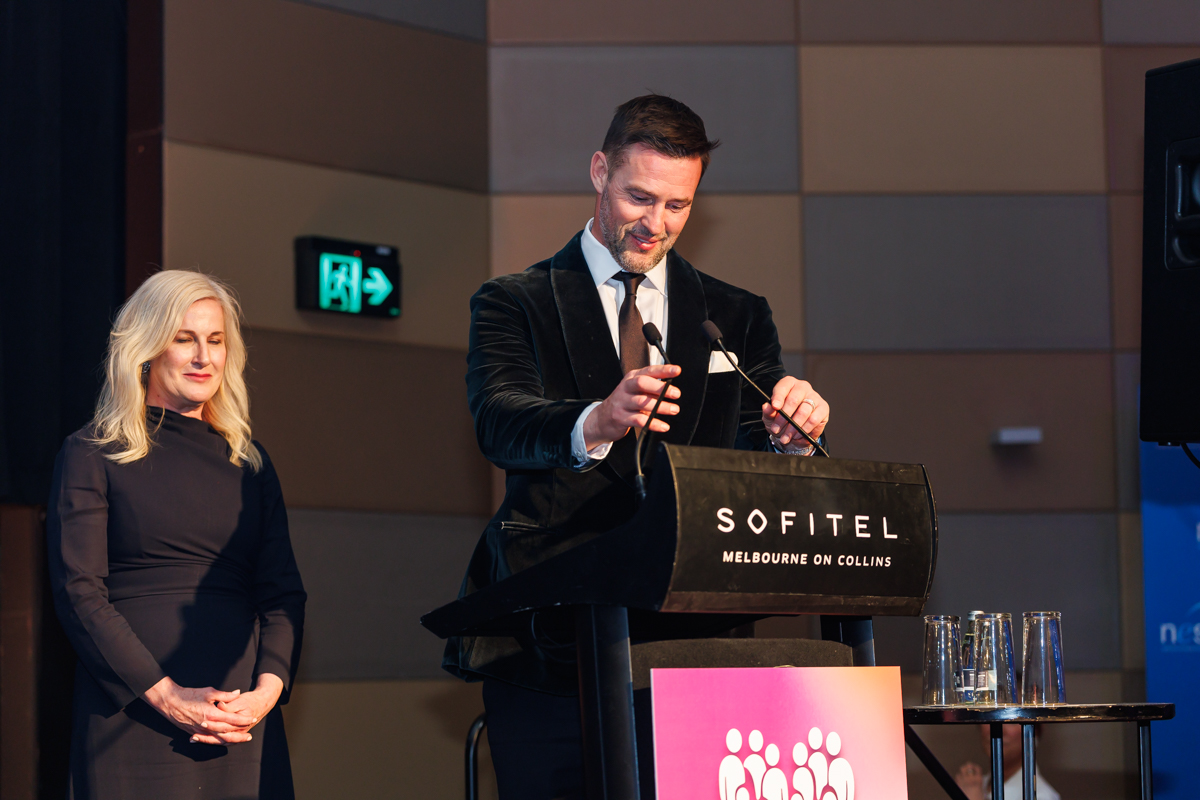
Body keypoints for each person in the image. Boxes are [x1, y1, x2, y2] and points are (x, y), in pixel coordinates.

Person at [443, 94, 831, 798]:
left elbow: (753, 449)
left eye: (678, 206)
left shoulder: (736, 315)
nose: (656, 224)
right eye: (640, 198)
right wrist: (596, 420)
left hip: (696, 644)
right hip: (553, 643)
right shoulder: (515, 301)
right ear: (600, 171)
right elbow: (499, 421)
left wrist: (790, 438)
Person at [47, 270, 306, 799]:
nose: (203, 357)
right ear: (147, 348)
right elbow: (80, 592)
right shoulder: (92, 452)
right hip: (132, 714)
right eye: (184, 338)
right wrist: (167, 696)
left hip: (239, 721)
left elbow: (283, 595)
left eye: (216, 340)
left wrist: (265, 694)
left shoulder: (250, 464)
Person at [955, 724, 1061, 800]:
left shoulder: (1041, 795)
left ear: (1034, 732)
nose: (998, 729)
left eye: (1011, 720)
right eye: (990, 716)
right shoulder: (976, 784)